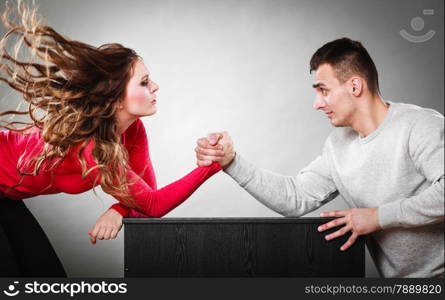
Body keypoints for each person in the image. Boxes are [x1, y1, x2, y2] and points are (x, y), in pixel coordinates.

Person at [0, 1, 222, 277]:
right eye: (144, 82)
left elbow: (146, 194)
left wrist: (119, 209)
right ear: (116, 99)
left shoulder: (133, 130)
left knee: (48, 276)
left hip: (5, 198)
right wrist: (214, 164)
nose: (155, 87)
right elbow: (152, 205)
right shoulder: (91, 146)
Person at [195, 38, 444, 278]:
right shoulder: (338, 146)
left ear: (354, 86)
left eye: (324, 90)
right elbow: (295, 197)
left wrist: (377, 217)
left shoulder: (420, 125)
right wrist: (231, 162)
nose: (317, 104)